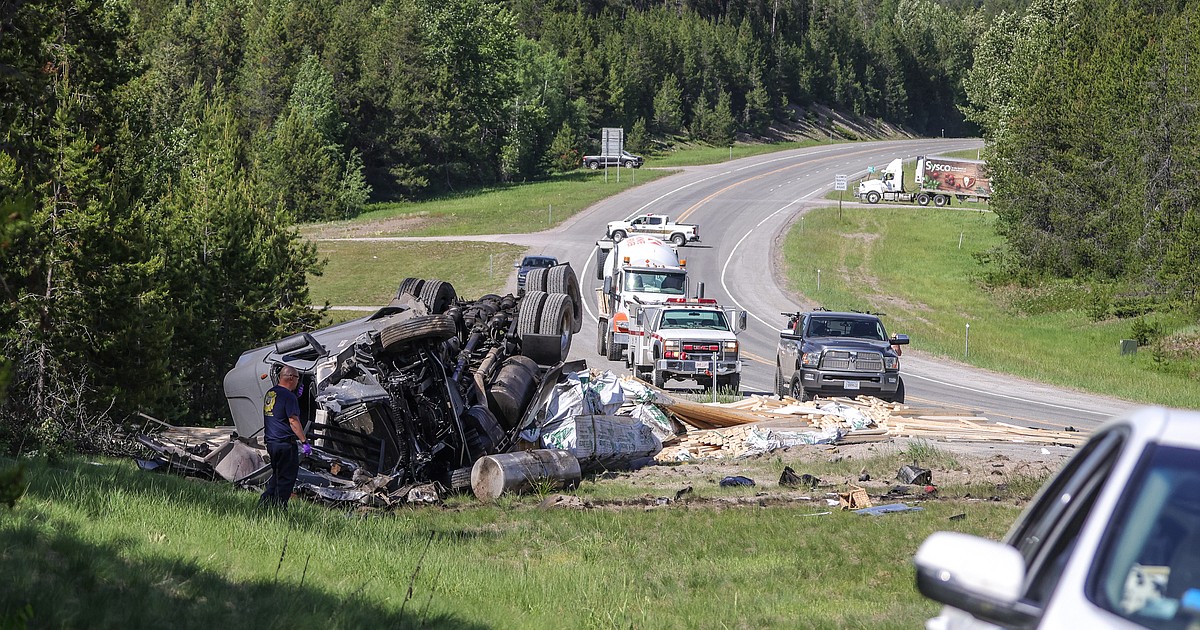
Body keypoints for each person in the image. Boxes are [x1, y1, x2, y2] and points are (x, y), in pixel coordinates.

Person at [259, 366, 309, 510]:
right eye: (298, 378)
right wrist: (304, 442)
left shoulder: (272, 392)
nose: (298, 382)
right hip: (284, 443)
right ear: (291, 378)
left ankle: (265, 504)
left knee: (277, 475)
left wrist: (295, 398)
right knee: (286, 478)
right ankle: (280, 508)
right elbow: (293, 421)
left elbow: (278, 411)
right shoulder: (289, 396)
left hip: (271, 442)